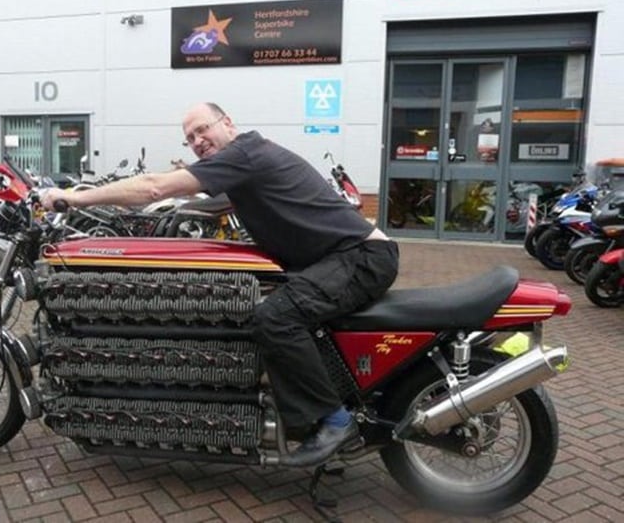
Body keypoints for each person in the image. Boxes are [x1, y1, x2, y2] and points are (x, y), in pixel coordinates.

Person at [42, 102, 399, 466]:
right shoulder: (247, 162)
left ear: (227, 122)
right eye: (190, 139)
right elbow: (197, 203)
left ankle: (335, 422)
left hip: (360, 256)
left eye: (203, 130)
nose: (198, 141)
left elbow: (153, 188)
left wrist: (74, 198)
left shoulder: (245, 152)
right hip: (333, 259)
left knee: (275, 317)